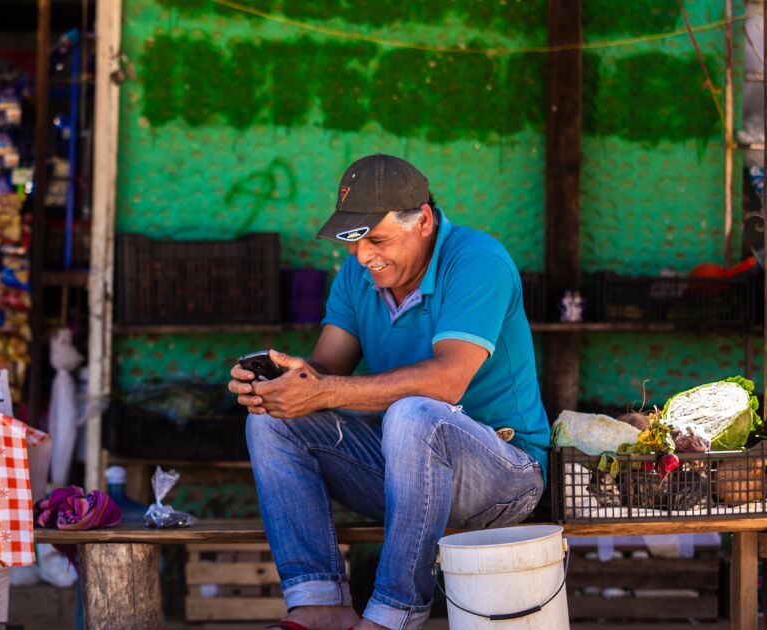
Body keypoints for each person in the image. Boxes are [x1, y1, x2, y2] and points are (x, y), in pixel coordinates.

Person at [227, 154, 550, 630]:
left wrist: (322, 391)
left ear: (422, 220)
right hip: (406, 476)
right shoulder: (358, 276)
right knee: (274, 421)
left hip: (506, 476)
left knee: (415, 412)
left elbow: (447, 381)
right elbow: (326, 371)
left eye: (377, 240)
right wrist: (281, 386)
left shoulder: (478, 261)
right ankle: (320, 604)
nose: (362, 257)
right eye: (354, 241)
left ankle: (396, 612)